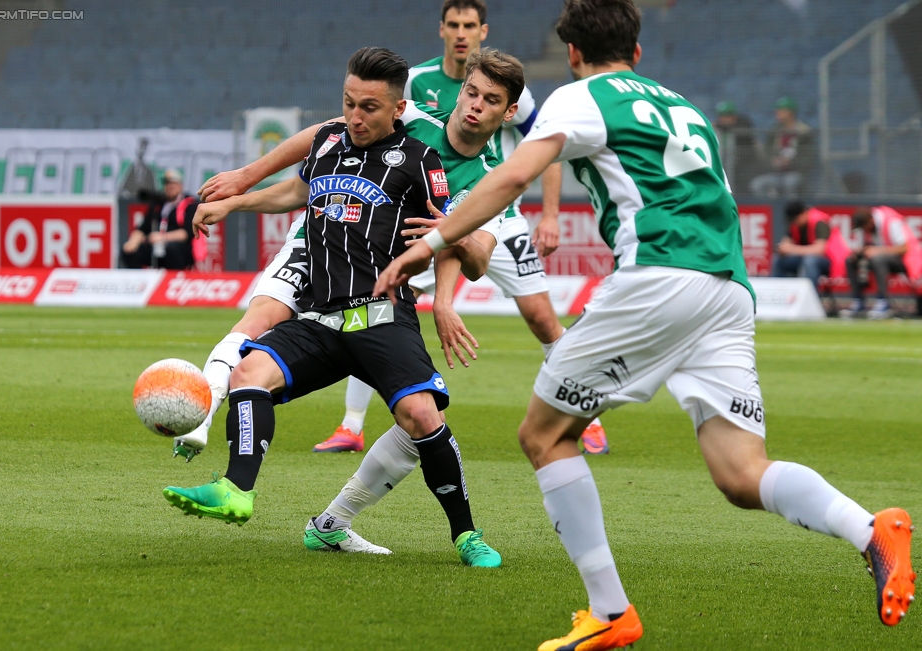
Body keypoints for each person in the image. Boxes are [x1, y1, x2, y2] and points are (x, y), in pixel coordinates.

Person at [374, 1, 915, 648]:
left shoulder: (585, 97)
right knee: (743, 473)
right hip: (727, 287)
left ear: (573, 54)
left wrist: (432, 244)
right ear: (638, 51)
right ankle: (870, 528)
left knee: (545, 436)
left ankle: (608, 610)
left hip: (658, 275)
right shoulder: (683, 108)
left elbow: (511, 173)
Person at [164, 47, 503, 568]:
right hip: (319, 320)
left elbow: (457, 236)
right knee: (249, 372)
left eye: (368, 107)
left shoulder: (421, 161)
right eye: (348, 103)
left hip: (382, 316)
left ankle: (466, 534)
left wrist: (447, 264)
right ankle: (235, 489)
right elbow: (294, 193)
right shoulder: (326, 142)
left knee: (421, 415)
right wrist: (235, 200)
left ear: (398, 109)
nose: (354, 117)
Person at [317, 0, 610, 456]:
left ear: (481, 31)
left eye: (469, 25)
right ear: (442, 31)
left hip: (495, 211)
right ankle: (351, 425)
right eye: (453, 24)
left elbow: (543, 148)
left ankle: (583, 413)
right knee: (376, 298)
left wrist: (549, 214)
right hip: (437, 213)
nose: (461, 33)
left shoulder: (512, 92)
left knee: (539, 315)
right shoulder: (416, 82)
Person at [839, 206, 922, 319]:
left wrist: (876, 251)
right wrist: (862, 251)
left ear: (871, 221)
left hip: (906, 261)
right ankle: (858, 301)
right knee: (851, 260)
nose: (864, 231)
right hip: (883, 259)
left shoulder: (891, 221)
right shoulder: (868, 228)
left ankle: (883, 302)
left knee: (878, 258)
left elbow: (904, 248)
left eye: (865, 228)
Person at [120, 169, 197, 270]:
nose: (170, 187)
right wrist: (133, 242)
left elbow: (187, 233)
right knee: (129, 252)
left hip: (178, 248)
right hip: (156, 246)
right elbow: (142, 228)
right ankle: (142, 281)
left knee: (172, 249)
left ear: (180, 186)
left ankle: (171, 280)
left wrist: (163, 237)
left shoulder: (189, 204)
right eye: (167, 184)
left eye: (173, 184)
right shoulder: (158, 204)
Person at [749, 96, 815, 198]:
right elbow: (767, 153)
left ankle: (792, 213)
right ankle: (770, 211)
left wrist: (790, 163)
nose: (777, 112)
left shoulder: (804, 132)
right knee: (757, 184)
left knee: (790, 183)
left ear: (790, 112)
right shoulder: (774, 131)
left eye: (781, 110)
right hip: (776, 173)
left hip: (796, 172)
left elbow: (808, 158)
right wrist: (773, 161)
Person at [772, 200, 832, 293]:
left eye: (796, 219)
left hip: (826, 261)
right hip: (803, 259)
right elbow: (786, 243)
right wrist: (782, 249)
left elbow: (820, 250)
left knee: (810, 261)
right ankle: (777, 294)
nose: (795, 222)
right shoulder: (794, 225)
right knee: (778, 260)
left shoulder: (819, 222)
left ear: (803, 213)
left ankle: (809, 297)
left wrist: (792, 249)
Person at [713, 100, 763, 195]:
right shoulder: (718, 132)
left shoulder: (742, 129)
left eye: (727, 116)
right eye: (722, 116)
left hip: (743, 172)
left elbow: (741, 128)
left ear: (734, 117)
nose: (723, 119)